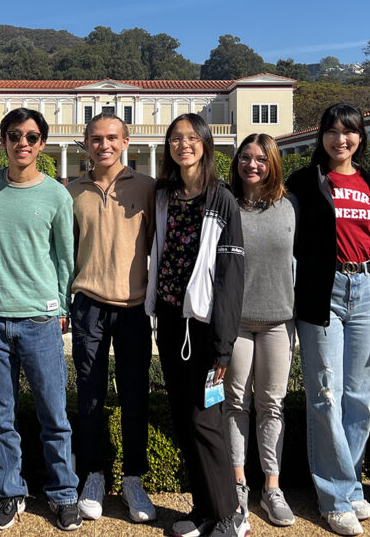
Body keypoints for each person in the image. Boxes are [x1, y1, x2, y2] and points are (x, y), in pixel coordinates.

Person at [0, 108, 81, 532]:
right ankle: (9, 493)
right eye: (14, 135)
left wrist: (62, 310)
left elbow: (65, 259)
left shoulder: (56, 195)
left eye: (32, 137)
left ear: (42, 144)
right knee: (0, 416)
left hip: (39, 320)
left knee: (54, 413)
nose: (23, 143)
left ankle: (63, 493)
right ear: (3, 142)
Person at [144, 113, 248, 537]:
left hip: (205, 327)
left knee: (207, 419)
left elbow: (229, 278)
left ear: (205, 144)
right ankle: (205, 510)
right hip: (170, 320)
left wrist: (223, 347)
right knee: (185, 418)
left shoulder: (221, 198)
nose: (182, 144)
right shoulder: (165, 194)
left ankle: (229, 516)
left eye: (191, 138)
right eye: (175, 138)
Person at [285, 102, 370, 537]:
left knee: (361, 394)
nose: (340, 139)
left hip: (364, 287)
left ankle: (351, 479)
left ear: (360, 137)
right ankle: (335, 495)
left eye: (349, 132)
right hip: (321, 292)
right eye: (332, 131)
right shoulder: (304, 183)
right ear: (321, 136)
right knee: (326, 392)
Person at [67, 111, 157, 523]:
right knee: (90, 396)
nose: (104, 144)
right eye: (96, 138)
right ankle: (94, 475)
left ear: (125, 141)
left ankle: (134, 477)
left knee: (135, 395)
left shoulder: (149, 189)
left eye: (112, 137)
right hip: (88, 304)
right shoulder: (72, 192)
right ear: (86, 143)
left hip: (134, 307)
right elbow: (62, 253)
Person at [223, 133, 297, 527]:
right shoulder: (227, 204)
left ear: (273, 163)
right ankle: (238, 485)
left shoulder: (290, 206)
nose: (252, 165)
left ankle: (272, 487)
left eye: (260, 159)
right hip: (236, 321)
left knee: (272, 404)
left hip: (278, 321)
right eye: (245, 158)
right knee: (235, 404)